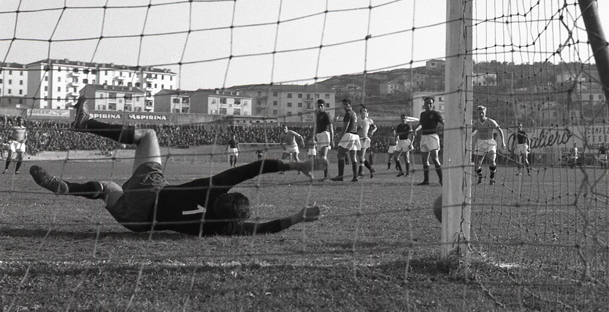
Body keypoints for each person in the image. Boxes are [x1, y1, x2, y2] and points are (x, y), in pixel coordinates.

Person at [29, 97, 321, 236]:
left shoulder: (213, 188)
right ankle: (66, 188)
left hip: (152, 190)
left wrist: (299, 165)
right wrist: (296, 218)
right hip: (138, 222)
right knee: (108, 189)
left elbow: (254, 168)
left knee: (148, 135)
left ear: (227, 195)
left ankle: (86, 124)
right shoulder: (222, 227)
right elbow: (262, 229)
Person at [472, 105, 506, 185]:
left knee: (492, 160)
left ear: (485, 113)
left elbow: (499, 130)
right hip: (480, 143)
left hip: (490, 143)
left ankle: (492, 177)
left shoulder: (491, 121)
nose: (481, 114)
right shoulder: (476, 123)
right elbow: (472, 131)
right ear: (477, 113)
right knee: (477, 165)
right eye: (480, 113)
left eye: (482, 113)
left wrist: (503, 142)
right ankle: (480, 177)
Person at [414, 97, 444, 186]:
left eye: (430, 103)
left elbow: (443, 122)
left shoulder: (436, 114)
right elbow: (421, 124)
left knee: (435, 158)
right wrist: (416, 129)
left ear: (433, 104)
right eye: (427, 103)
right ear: (424, 104)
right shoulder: (422, 114)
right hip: (424, 137)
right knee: (424, 160)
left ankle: (442, 180)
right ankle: (426, 180)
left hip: (432, 137)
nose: (428, 105)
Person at [331, 98, 361, 182]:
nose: (345, 106)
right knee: (353, 157)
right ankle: (355, 177)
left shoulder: (348, 113)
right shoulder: (354, 113)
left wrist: (340, 137)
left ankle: (340, 176)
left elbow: (345, 126)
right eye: (344, 104)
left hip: (349, 135)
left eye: (346, 104)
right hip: (355, 136)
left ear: (350, 104)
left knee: (340, 154)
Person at [314, 99, 335, 179]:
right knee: (321, 157)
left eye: (321, 106)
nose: (319, 107)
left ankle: (326, 176)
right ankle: (326, 175)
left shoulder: (325, 114)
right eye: (318, 105)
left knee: (323, 156)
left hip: (325, 135)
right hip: (319, 136)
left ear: (323, 106)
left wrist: (332, 139)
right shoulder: (317, 115)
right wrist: (315, 137)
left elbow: (331, 127)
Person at [356, 105, 377, 178]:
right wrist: (358, 128)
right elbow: (355, 129)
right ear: (360, 112)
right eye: (363, 111)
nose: (365, 112)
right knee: (360, 157)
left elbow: (375, 127)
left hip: (365, 138)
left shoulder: (369, 120)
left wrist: (372, 131)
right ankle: (371, 169)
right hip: (358, 139)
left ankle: (361, 172)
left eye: (366, 111)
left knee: (361, 156)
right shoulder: (358, 120)